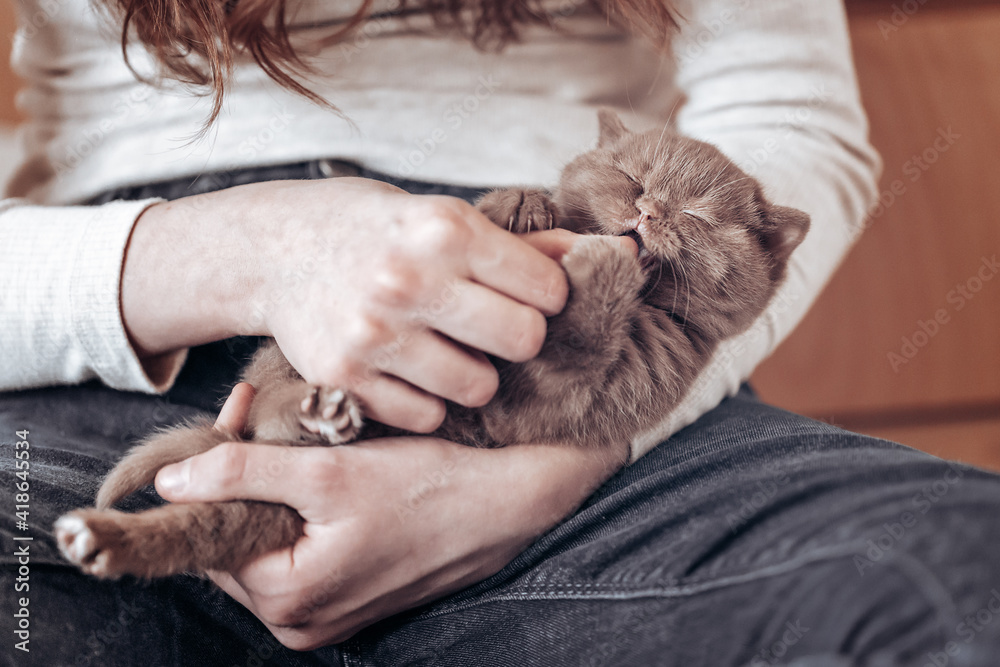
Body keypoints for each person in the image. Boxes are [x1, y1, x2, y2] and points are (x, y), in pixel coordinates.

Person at [2, 0, 999, 664]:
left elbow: (791, 114)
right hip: (116, 311)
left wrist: (592, 439)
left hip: (582, 333)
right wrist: (245, 253)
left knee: (958, 579)